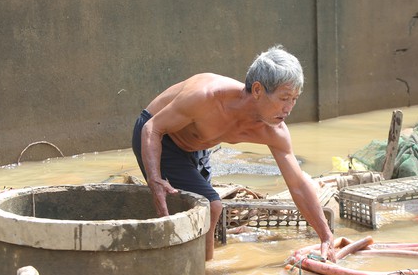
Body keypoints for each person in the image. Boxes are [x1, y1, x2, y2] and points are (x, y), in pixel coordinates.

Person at [132, 45, 335, 262]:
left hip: (198, 145)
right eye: (284, 98)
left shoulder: (275, 131)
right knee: (211, 206)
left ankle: (198, 263)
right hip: (159, 138)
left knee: (201, 215)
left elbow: (297, 185)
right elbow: (152, 129)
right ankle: (204, 273)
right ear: (257, 90)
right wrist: (155, 179)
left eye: (295, 99)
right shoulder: (206, 96)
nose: (289, 108)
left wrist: (325, 236)